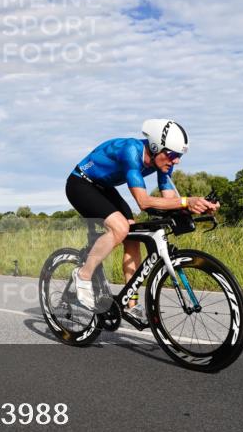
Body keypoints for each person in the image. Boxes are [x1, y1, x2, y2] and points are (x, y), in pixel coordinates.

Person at [66, 119, 219, 316]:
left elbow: (169, 202)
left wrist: (198, 207)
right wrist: (186, 201)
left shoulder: (163, 162)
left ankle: (130, 304)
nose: (177, 161)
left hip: (104, 187)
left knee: (134, 236)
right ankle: (83, 275)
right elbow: (143, 202)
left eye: (179, 156)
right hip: (81, 184)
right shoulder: (131, 151)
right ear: (156, 147)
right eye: (173, 155)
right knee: (120, 228)